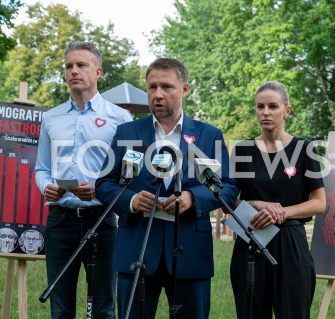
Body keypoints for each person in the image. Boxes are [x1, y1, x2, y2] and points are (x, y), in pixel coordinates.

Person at [95, 58, 239, 319]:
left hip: (190, 252)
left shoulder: (209, 135)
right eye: (152, 87)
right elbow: (104, 185)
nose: (157, 94)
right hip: (136, 249)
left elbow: (228, 187)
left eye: (166, 87)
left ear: (184, 89)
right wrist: (131, 200)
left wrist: (192, 197)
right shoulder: (127, 132)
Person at [35, 41, 133, 318]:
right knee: (60, 307)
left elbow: (129, 174)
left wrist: (102, 191)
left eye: (81, 65)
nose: (73, 71)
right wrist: (47, 187)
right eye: (69, 66)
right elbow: (41, 168)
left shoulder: (120, 117)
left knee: (103, 307)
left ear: (98, 71)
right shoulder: (51, 117)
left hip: (102, 221)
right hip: (59, 221)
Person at [230, 81, 326, 319]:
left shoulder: (305, 149)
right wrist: (255, 204)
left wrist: (282, 212)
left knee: (293, 312)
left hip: (291, 242)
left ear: (287, 110)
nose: (265, 112)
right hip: (250, 239)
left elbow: (319, 202)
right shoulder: (241, 151)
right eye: (260, 106)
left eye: (273, 106)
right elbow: (227, 199)